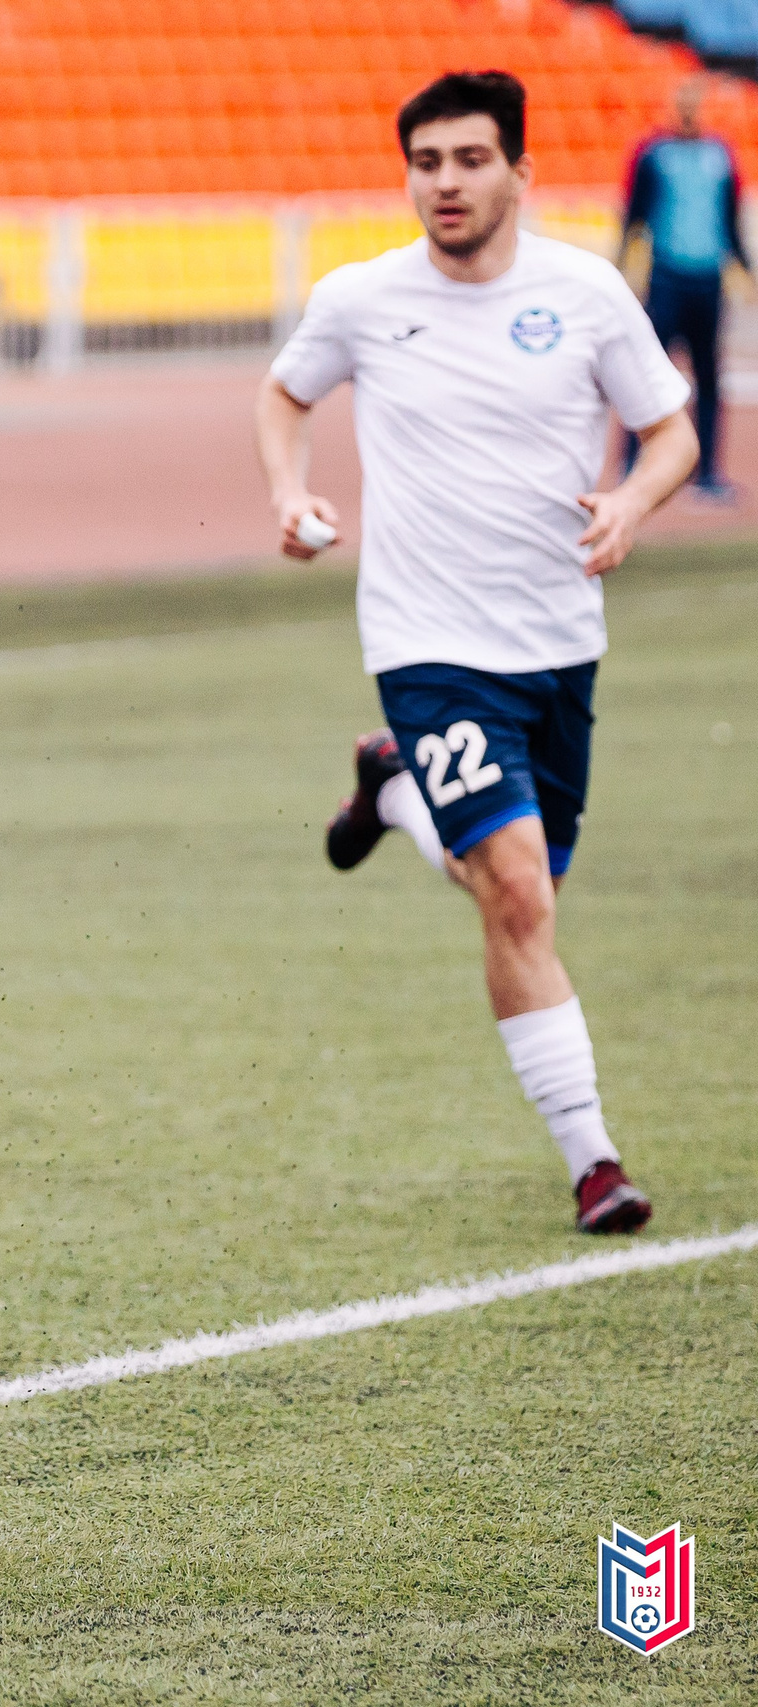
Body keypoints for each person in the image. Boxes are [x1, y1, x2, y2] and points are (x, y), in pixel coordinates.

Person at [259, 72, 696, 1237]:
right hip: (426, 642)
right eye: (425, 163)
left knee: (517, 891)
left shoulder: (586, 293)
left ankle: (393, 789)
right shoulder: (359, 297)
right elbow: (284, 394)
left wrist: (633, 503)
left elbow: (669, 430)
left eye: (467, 160)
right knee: (514, 894)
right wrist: (290, 494)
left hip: (557, 644)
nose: (443, 183)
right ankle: (594, 1160)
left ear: (519, 172)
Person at [621, 76, 748, 501]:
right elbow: (633, 215)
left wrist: (743, 268)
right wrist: (623, 265)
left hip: (708, 282)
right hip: (666, 280)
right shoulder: (653, 154)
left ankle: (708, 473)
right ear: (672, 107)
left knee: (709, 378)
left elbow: (730, 220)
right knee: (646, 374)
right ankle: (631, 467)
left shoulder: (721, 155)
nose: (689, 111)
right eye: (682, 103)